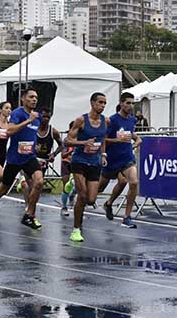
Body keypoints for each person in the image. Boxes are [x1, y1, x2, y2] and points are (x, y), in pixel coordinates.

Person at [0, 88, 44, 230]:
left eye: (36, 97)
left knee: (39, 182)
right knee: (3, 189)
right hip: (15, 158)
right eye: (31, 97)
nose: (34, 100)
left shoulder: (37, 116)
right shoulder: (17, 114)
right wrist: (28, 121)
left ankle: (29, 215)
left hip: (29, 157)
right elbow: (9, 131)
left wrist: (35, 145)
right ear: (23, 99)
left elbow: (32, 134)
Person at [65, 92, 110, 242]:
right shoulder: (81, 120)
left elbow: (102, 139)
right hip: (79, 161)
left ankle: (72, 187)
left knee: (91, 199)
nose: (102, 106)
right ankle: (76, 230)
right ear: (92, 103)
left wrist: (103, 155)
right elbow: (68, 140)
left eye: (104, 103)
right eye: (100, 102)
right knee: (82, 195)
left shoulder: (106, 121)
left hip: (95, 162)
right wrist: (83, 143)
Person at [99, 92, 142, 228]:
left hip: (127, 158)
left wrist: (136, 141)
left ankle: (127, 217)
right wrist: (113, 143)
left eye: (132, 103)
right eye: (128, 103)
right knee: (97, 191)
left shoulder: (132, 120)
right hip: (112, 159)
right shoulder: (112, 120)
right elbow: (103, 139)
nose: (131, 106)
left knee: (133, 182)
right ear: (121, 103)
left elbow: (131, 134)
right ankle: (107, 203)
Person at [35, 108, 63, 176]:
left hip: (43, 161)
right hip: (31, 159)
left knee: (38, 182)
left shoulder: (53, 131)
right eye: (44, 116)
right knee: (29, 181)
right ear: (39, 116)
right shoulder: (33, 128)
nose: (46, 119)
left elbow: (62, 145)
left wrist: (54, 154)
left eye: (48, 117)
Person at [60, 121, 76, 216]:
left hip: (76, 163)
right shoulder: (67, 140)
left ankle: (72, 195)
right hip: (66, 163)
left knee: (78, 185)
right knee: (66, 185)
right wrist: (71, 151)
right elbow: (63, 155)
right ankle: (64, 207)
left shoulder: (81, 139)